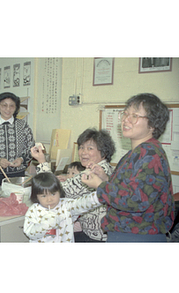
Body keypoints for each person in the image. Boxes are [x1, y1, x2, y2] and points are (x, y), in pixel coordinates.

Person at [82, 93, 175, 242]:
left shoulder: (150, 154)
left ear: (152, 125)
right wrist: (105, 178)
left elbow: (137, 200)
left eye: (135, 116)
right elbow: (129, 188)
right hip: (125, 234)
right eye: (125, 114)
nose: (126, 119)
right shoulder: (137, 152)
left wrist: (100, 185)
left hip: (138, 237)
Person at [31, 128, 115, 242]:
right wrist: (68, 178)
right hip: (104, 233)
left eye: (90, 148)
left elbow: (57, 192)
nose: (83, 152)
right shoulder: (107, 168)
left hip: (95, 237)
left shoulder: (93, 172)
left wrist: (42, 161)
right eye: (81, 147)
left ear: (104, 153)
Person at [23, 172, 101, 243]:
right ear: (36, 196)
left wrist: (99, 195)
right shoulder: (34, 210)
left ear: (59, 191)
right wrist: (45, 225)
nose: (49, 199)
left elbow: (83, 203)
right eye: (43, 196)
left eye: (53, 194)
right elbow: (29, 233)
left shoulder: (66, 205)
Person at [0, 92, 35, 188]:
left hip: (17, 175)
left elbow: (31, 146)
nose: (8, 109)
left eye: (11, 106)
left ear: (16, 107)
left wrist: (21, 159)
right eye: (4, 105)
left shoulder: (23, 125)